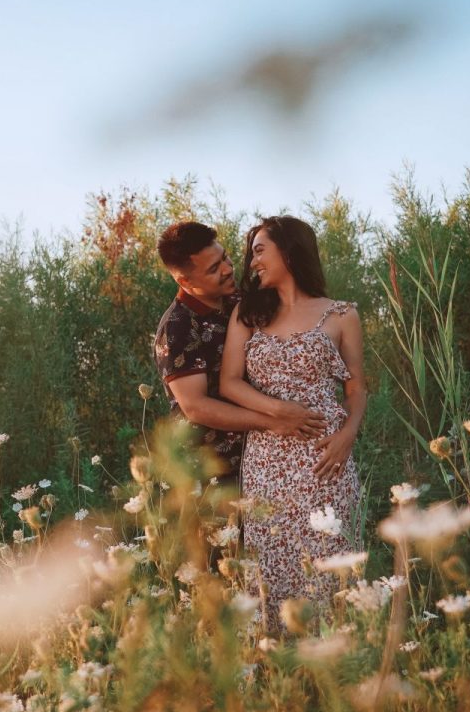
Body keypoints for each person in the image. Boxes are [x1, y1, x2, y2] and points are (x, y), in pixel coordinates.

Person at [218, 215, 367, 632]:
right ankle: (279, 674)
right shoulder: (249, 315)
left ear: (290, 250)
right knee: (272, 570)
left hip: (327, 461)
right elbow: (229, 383)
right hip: (268, 462)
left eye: (260, 250)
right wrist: (278, 411)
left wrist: (347, 438)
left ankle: (338, 664)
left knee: (330, 568)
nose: (253, 263)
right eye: (251, 255)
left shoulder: (342, 314)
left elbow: (356, 389)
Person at [153, 221, 329, 490]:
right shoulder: (178, 328)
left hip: (266, 462)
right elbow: (195, 406)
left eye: (224, 257)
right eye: (213, 269)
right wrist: (274, 421)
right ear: (185, 281)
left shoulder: (243, 302)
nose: (227, 269)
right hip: (210, 476)